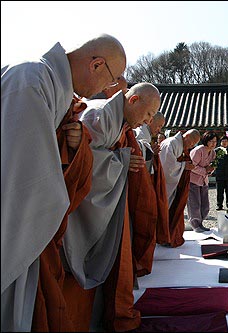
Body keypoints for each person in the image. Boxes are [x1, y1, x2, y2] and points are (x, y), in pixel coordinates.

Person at [1, 33, 126, 332]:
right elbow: (22, 177)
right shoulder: (31, 80)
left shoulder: (56, 89)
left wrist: (76, 144)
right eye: (110, 81)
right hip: (18, 221)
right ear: (96, 65)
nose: (105, 91)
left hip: (37, 223)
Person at [62, 82, 160, 331]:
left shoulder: (119, 121)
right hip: (79, 212)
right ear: (134, 100)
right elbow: (81, 163)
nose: (149, 122)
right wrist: (123, 160)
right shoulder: (100, 115)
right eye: (149, 114)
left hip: (107, 203)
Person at [159, 129, 200, 246]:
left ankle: (171, 237)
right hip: (166, 185)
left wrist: (185, 166)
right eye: (191, 142)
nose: (191, 146)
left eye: (193, 144)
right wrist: (184, 166)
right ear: (186, 136)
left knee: (175, 209)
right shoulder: (171, 143)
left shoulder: (180, 145)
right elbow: (167, 167)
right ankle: (165, 238)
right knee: (166, 210)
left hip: (175, 185)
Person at [134, 112, 170, 245]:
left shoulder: (147, 135)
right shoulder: (140, 133)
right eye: (159, 126)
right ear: (150, 121)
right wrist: (150, 151)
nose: (159, 130)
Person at [187, 131, 218, 232]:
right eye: (211, 141)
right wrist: (205, 170)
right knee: (194, 204)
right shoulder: (198, 150)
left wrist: (211, 170)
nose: (213, 144)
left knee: (205, 205)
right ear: (206, 141)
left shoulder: (213, 152)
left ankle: (200, 223)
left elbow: (211, 167)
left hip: (204, 180)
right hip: (193, 180)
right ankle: (195, 225)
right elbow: (192, 166)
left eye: (215, 141)